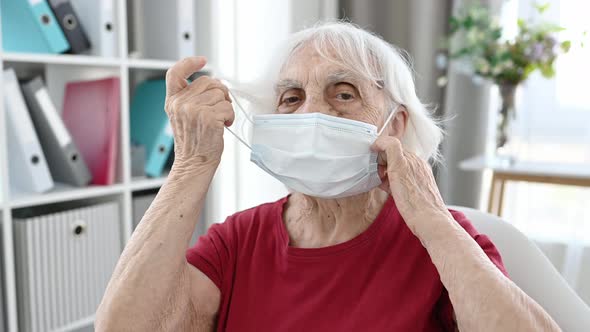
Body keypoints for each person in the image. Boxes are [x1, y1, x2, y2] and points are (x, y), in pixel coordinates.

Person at [96, 22, 560, 331]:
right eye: (291, 97)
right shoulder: (238, 240)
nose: (312, 111)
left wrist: (436, 224)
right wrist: (191, 165)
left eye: (343, 93)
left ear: (394, 126)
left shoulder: (440, 240)